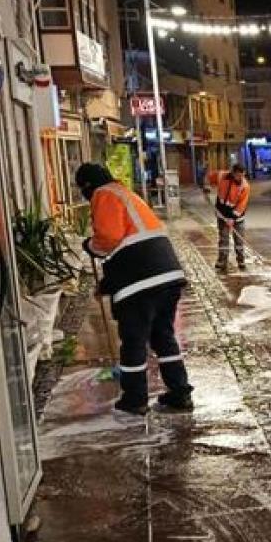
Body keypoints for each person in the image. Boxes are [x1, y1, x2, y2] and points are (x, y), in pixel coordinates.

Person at [76, 163, 193, 415]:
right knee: (164, 336)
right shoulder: (126, 194)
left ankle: (135, 398)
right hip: (166, 275)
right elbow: (127, 247)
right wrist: (106, 285)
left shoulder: (103, 194)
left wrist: (90, 246)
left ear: (87, 186)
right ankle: (180, 392)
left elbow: (109, 239)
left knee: (133, 341)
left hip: (141, 282)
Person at [215, 163, 250, 272]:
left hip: (237, 217)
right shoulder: (222, 176)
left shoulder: (245, 186)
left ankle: (241, 261)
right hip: (221, 213)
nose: (241, 178)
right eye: (239, 175)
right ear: (233, 173)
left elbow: (241, 206)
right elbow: (209, 177)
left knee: (239, 240)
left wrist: (232, 218)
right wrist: (205, 185)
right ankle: (222, 261)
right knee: (223, 239)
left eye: (243, 175)